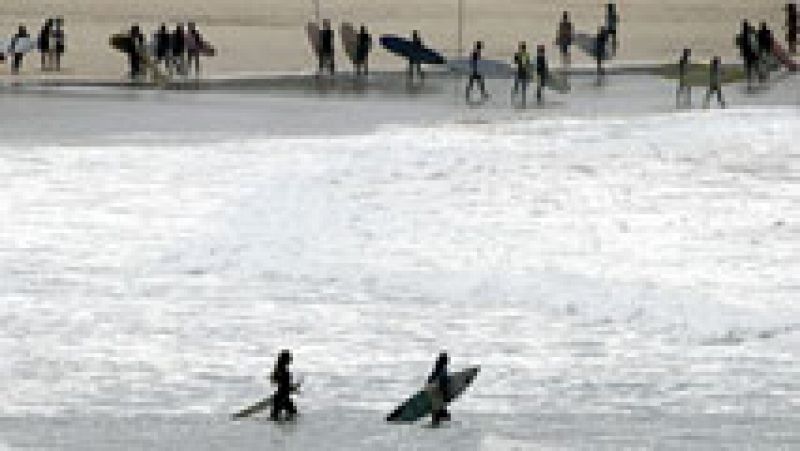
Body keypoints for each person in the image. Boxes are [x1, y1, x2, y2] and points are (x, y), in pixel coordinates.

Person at [270, 349, 300, 421]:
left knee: (276, 418)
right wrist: (293, 387)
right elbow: (284, 385)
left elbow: (278, 382)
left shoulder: (279, 368)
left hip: (280, 396)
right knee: (292, 416)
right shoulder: (282, 370)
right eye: (289, 357)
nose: (291, 359)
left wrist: (292, 387)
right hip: (283, 397)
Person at [427, 352, 450, 427]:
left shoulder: (436, 368)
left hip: (431, 389)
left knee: (436, 408)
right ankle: (435, 423)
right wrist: (445, 392)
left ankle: (437, 420)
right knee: (438, 408)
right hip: (438, 390)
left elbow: (429, 379)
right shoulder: (443, 369)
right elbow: (443, 381)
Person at [735, 20, 757, 89]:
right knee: (752, 66)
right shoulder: (750, 34)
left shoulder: (742, 35)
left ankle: (749, 81)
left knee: (748, 66)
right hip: (750, 52)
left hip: (745, 53)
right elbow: (753, 43)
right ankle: (751, 79)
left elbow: (737, 43)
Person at [512, 41, 531, 107]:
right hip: (524, 71)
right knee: (523, 87)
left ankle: (514, 97)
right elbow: (528, 64)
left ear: (520, 48)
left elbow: (515, 62)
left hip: (519, 71)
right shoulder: (527, 55)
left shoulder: (517, 54)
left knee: (516, 85)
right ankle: (523, 100)